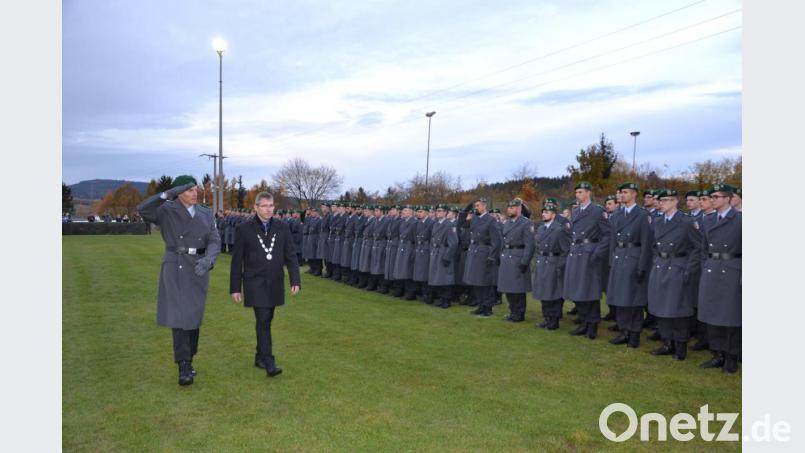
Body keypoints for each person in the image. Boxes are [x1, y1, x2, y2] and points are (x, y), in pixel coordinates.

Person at [136, 175, 221, 386]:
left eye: (195, 190)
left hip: (198, 266)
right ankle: (183, 365)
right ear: (179, 192)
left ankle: (189, 357)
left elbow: (214, 239)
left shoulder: (205, 212)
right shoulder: (167, 209)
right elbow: (143, 210)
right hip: (175, 264)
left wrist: (209, 259)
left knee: (193, 315)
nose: (195, 193)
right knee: (179, 315)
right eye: (190, 190)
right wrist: (166, 195)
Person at [230, 192, 301, 378]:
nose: (269, 209)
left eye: (271, 206)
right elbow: (237, 261)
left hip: (275, 281)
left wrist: (295, 279)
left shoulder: (282, 227)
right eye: (264, 206)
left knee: (267, 319)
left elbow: (290, 255)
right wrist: (235, 287)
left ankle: (259, 356)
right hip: (254, 282)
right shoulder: (244, 229)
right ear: (255, 207)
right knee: (263, 319)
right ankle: (269, 361)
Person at [646, 189, 703, 361]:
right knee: (661, 306)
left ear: (675, 201)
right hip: (661, 266)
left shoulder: (686, 221)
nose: (661, 203)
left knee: (677, 309)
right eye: (660, 200)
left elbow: (698, 247)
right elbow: (654, 245)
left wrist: (688, 269)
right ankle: (667, 343)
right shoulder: (657, 221)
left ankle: (680, 345)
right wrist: (657, 260)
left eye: (665, 200)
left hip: (678, 266)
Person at [698, 184, 742, 373]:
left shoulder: (740, 220)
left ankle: (731, 356)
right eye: (712, 196)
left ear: (728, 198)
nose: (713, 199)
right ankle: (717, 354)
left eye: (717, 196)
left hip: (732, 270)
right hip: (712, 269)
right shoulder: (708, 220)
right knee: (711, 314)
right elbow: (703, 248)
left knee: (730, 316)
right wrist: (705, 265)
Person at [606, 182, 652, 348]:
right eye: (621, 192)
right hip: (619, 257)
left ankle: (634, 333)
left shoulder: (642, 214)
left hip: (634, 258)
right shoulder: (617, 215)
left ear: (634, 194)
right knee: (619, 298)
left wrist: (642, 266)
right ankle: (624, 330)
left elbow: (647, 243)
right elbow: (612, 240)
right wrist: (612, 261)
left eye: (625, 192)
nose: (622, 195)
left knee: (634, 299)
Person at [564, 181, 611, 339]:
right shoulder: (575, 211)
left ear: (589, 193)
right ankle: (583, 322)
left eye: (581, 192)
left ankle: (592, 326)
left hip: (589, 254)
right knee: (578, 291)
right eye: (576, 192)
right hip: (576, 253)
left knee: (590, 291)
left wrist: (597, 252)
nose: (578, 195)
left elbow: (607, 235)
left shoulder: (597, 211)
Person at [458, 197, 503, 317]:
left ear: (484, 206)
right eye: (475, 206)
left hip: (484, 252)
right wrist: (465, 211)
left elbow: (496, 241)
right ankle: (480, 305)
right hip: (474, 251)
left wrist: (492, 256)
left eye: (478, 205)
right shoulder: (475, 219)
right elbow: (461, 224)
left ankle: (488, 307)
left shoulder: (490, 220)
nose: (476, 208)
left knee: (485, 282)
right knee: (475, 280)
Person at [532, 204, 570, 330]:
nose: (543, 214)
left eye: (547, 212)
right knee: (543, 292)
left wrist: (560, 265)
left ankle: (554, 320)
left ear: (554, 215)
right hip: (542, 262)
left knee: (553, 292)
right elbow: (537, 247)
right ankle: (546, 317)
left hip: (554, 262)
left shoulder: (559, 229)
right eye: (543, 212)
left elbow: (565, 250)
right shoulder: (541, 228)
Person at [498, 199, 536, 322]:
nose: (510, 210)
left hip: (518, 256)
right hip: (507, 256)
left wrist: (525, 261)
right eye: (509, 208)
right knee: (508, 287)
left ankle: (519, 313)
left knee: (518, 288)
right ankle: (512, 311)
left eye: (513, 208)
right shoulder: (507, 223)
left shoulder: (526, 223)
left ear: (519, 209)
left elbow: (530, 245)